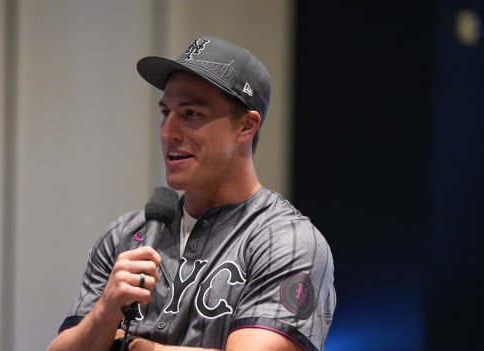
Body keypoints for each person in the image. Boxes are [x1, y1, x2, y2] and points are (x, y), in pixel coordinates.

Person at [47, 35, 336, 351]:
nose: (168, 132)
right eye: (165, 112)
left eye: (191, 114)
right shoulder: (124, 236)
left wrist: (132, 346)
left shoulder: (287, 241)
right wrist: (105, 313)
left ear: (246, 126)